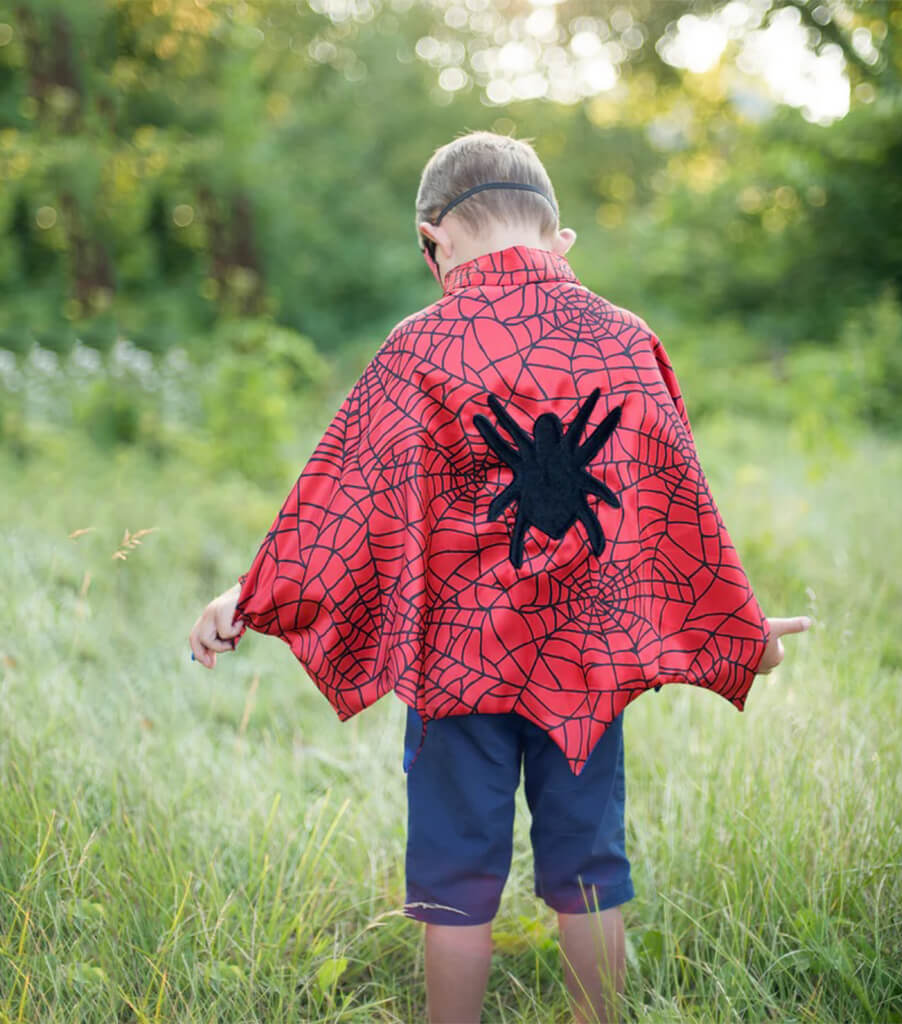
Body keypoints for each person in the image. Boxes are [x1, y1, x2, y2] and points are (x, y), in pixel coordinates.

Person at [188, 130, 811, 1024]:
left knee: (455, 879)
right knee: (590, 871)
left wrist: (249, 597)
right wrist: (741, 635)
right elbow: (677, 506)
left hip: (456, 669)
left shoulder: (419, 347)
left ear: (432, 238)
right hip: (582, 669)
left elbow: (343, 497)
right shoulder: (627, 340)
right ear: (560, 239)